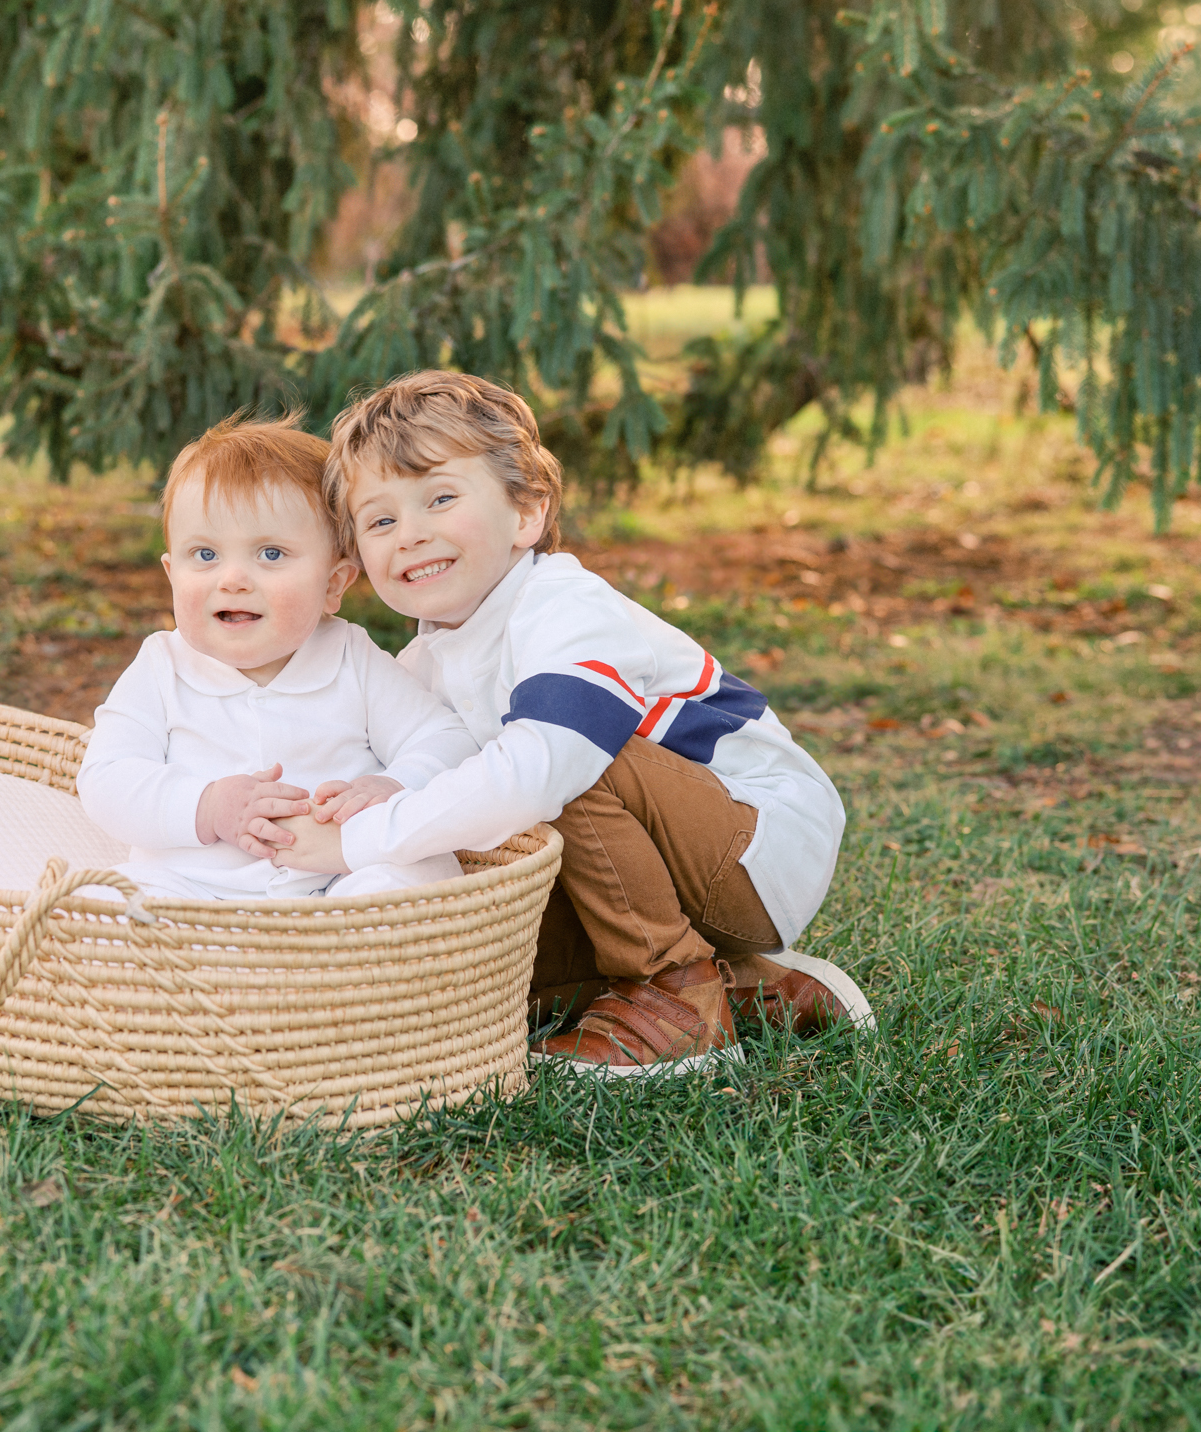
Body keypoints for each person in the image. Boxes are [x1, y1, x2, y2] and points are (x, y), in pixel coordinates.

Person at [256, 371, 871, 1075]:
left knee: (562, 758)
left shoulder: (564, 606)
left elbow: (551, 763)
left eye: (441, 498)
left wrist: (357, 840)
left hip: (753, 846)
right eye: (381, 519)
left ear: (526, 513)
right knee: (503, 985)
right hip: (630, 863)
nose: (411, 534)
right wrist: (385, 786)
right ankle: (753, 987)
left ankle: (676, 996)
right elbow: (437, 767)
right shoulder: (423, 658)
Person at [76, 411, 476, 904]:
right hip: (191, 887)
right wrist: (206, 807)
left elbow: (447, 740)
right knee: (107, 902)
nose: (233, 579)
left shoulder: (351, 658)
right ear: (171, 572)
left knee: (414, 876)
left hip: (335, 881)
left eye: (270, 554)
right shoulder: (162, 667)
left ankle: (352, 965)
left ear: (333, 585)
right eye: (205, 555)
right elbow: (106, 779)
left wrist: (392, 783)